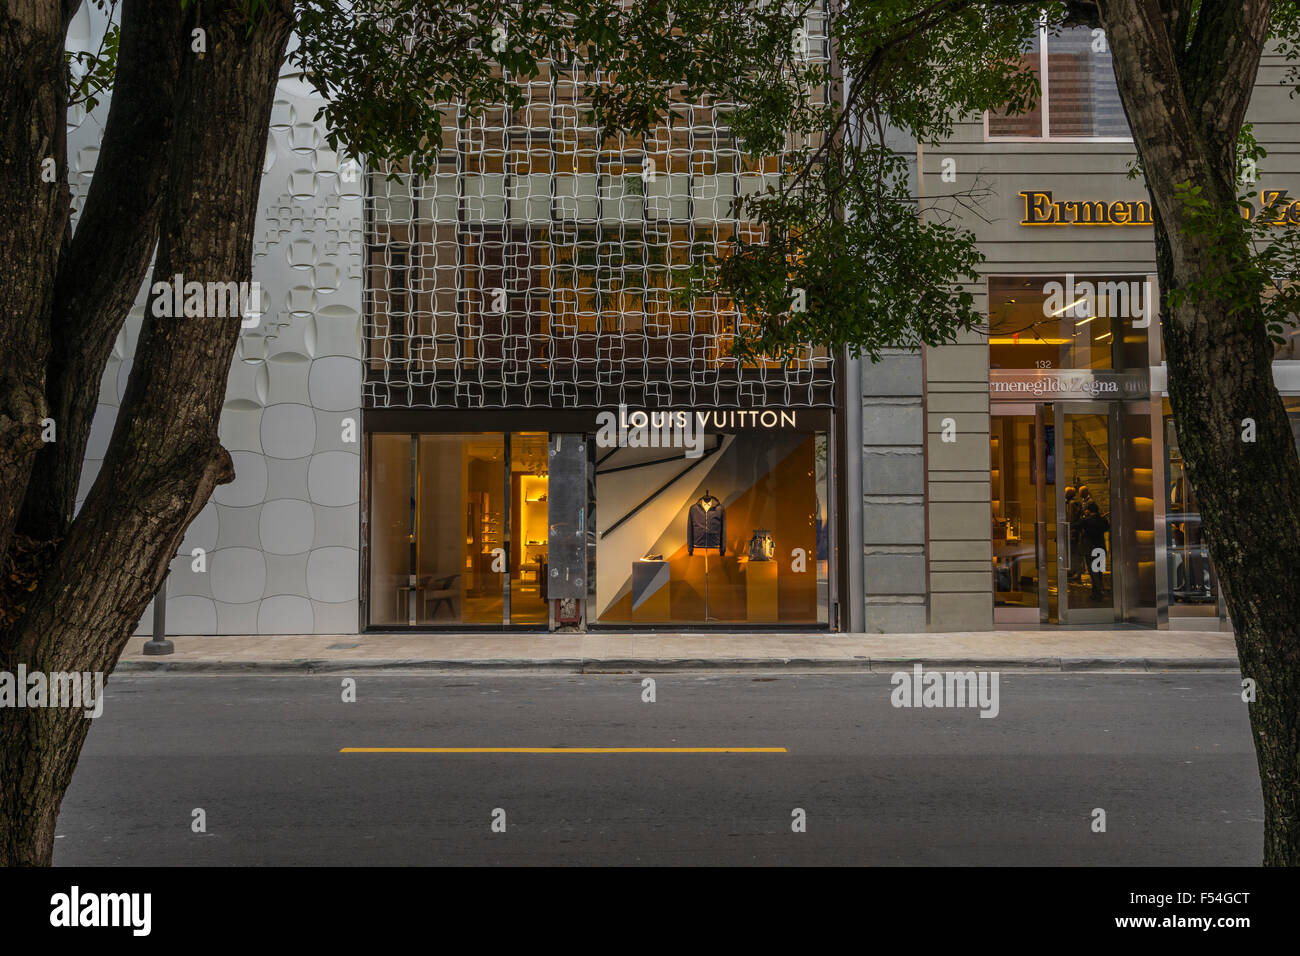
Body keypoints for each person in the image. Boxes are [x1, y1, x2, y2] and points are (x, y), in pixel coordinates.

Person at [1075, 500, 1110, 601]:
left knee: (1093, 572)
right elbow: (1106, 528)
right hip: (1101, 548)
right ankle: (1096, 594)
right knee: (1099, 572)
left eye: (1086, 510)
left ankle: (1099, 590)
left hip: (1090, 549)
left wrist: (1083, 518)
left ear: (1089, 511)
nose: (1085, 512)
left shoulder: (1086, 521)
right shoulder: (1103, 520)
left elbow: (1075, 525)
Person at [1064, 486, 1081, 581]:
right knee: (1072, 552)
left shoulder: (1072, 504)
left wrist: (1070, 530)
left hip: (1072, 531)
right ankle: (1073, 571)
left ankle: (1075, 572)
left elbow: (1071, 518)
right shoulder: (1071, 503)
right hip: (1071, 531)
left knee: (1073, 552)